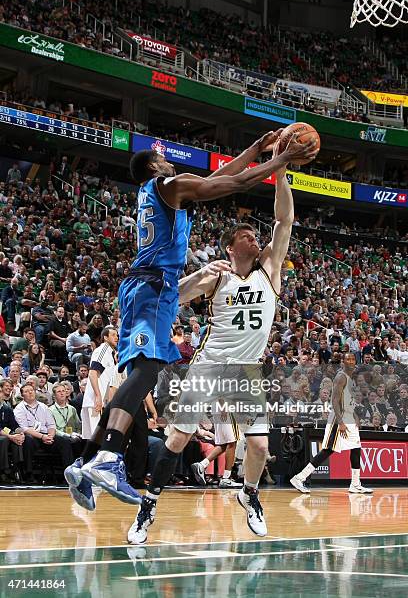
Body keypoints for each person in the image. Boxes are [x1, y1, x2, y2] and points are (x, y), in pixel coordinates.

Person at [65, 131, 318, 510]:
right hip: (155, 288)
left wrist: (255, 148)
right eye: (164, 158)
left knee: (145, 372)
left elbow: (220, 178)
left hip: (156, 289)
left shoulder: (161, 192)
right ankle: (107, 458)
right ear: (155, 167)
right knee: (148, 372)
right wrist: (281, 161)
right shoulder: (167, 184)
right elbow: (233, 182)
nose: (171, 162)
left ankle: (85, 459)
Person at [127, 144, 304, 544]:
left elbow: (284, 221)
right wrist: (201, 273)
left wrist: (282, 172)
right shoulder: (217, 276)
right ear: (230, 246)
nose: (253, 238)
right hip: (210, 363)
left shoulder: (270, 272)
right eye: (245, 235)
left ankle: (251, 495)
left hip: (247, 368)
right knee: (178, 437)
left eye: (254, 235)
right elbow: (176, 297)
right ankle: (148, 505)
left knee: (259, 444)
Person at [290, 353, 373, 495]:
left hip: (349, 418)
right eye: (348, 359)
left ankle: (355, 484)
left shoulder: (350, 379)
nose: (351, 361)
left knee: (356, 448)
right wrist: (340, 422)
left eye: (353, 359)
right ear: (343, 362)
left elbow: (347, 402)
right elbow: (334, 400)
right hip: (338, 419)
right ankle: (299, 478)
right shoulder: (340, 377)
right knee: (328, 449)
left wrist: (354, 417)